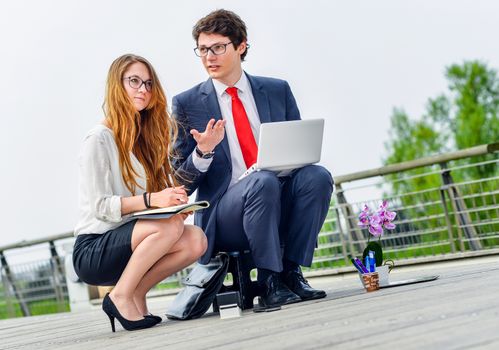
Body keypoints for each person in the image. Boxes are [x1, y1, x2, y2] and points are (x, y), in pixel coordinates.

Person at [172, 9, 334, 308]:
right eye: (203, 50)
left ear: (241, 46)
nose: (209, 57)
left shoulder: (277, 90)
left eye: (218, 47)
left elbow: (297, 151)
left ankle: (291, 272)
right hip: (225, 211)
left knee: (317, 176)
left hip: (275, 194)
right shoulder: (188, 103)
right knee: (263, 182)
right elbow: (179, 181)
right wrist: (203, 151)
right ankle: (270, 278)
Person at [72, 54, 207, 332]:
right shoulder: (98, 139)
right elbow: (100, 206)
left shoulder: (143, 141)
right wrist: (152, 201)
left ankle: (134, 291)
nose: (143, 89)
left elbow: (158, 200)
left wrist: (174, 205)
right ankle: (120, 296)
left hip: (132, 241)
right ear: (116, 85)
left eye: (148, 83)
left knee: (195, 239)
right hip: (94, 249)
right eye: (134, 81)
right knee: (167, 226)